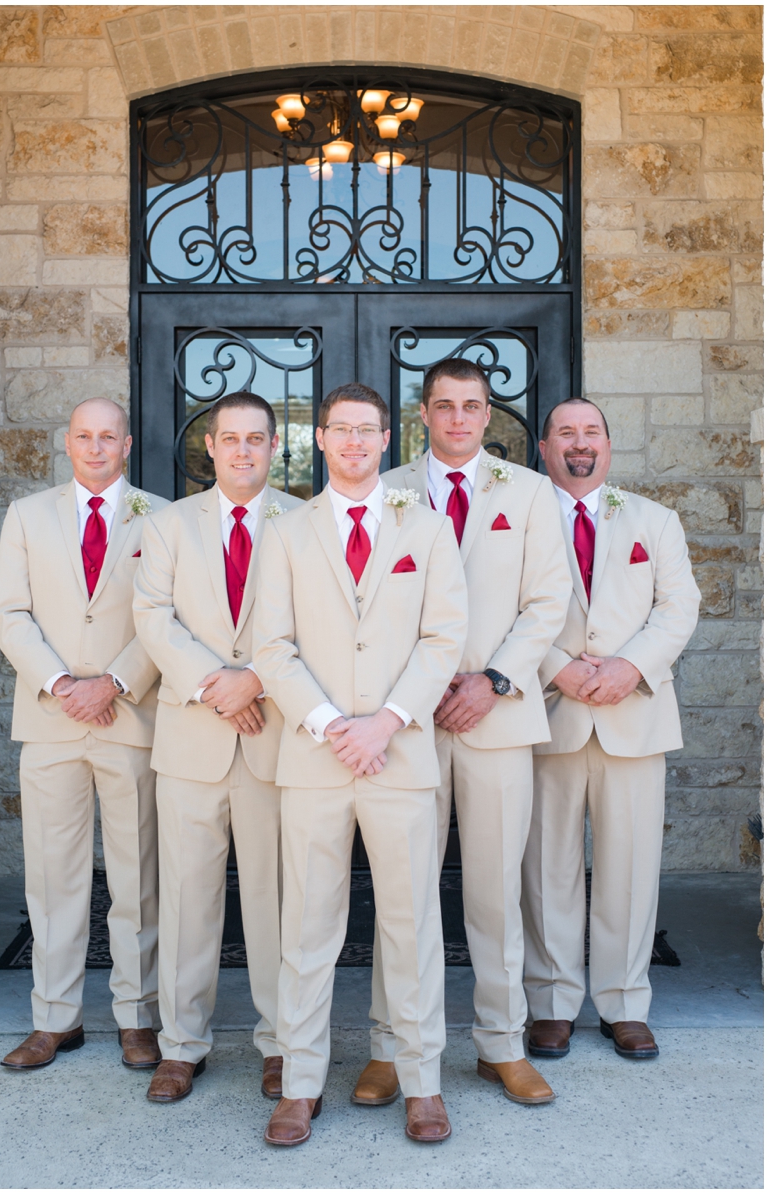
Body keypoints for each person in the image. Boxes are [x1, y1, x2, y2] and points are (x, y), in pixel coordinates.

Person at [253, 382, 468, 1146]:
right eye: (338, 430)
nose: (351, 442)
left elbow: (445, 637)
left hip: (399, 754)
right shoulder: (286, 532)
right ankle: (301, 1083)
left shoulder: (429, 528)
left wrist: (385, 722)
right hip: (313, 757)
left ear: (388, 439)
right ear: (320, 439)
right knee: (308, 928)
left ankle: (421, 1081)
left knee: (411, 926)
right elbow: (269, 646)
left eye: (365, 431)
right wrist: (327, 723)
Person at [359, 359, 572, 1108]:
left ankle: (502, 1045)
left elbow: (548, 603)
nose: (457, 419)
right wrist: (412, 696)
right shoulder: (385, 493)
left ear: (489, 416)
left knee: (494, 892)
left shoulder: (533, 493)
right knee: (403, 892)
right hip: (407, 723)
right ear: (423, 415)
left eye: (471, 406)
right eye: (444, 406)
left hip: (497, 716)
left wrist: (494, 680)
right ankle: (391, 1047)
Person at [132, 392, 303, 1103]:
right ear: (210, 446)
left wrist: (256, 680)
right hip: (192, 737)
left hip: (272, 738)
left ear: (274, 446)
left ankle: (281, 1043)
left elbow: (316, 621)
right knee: (188, 898)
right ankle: (181, 1045)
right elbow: (152, 616)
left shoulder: (306, 522)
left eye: (255, 440)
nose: (242, 452)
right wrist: (217, 687)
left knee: (274, 901)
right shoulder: (170, 525)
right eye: (229, 439)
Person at [0, 397, 168, 1071]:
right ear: (67, 442)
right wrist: (63, 685)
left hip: (132, 718)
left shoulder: (162, 516)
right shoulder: (29, 516)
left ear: (127, 444)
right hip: (52, 718)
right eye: (84, 436)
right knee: (53, 876)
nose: (95, 447)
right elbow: (9, 615)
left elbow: (167, 618)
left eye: (108, 437)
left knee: (137, 876)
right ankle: (54, 1019)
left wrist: (114, 683)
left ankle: (137, 1016)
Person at [522, 397, 700, 1060]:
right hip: (547, 715)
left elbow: (679, 607)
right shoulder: (521, 522)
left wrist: (630, 666)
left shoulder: (655, 521)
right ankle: (550, 1002)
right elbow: (499, 608)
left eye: (591, 431)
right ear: (544, 448)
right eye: (565, 432)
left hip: (634, 715)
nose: (579, 442)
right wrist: (558, 668)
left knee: (630, 868)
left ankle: (624, 1003)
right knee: (547, 871)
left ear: (608, 445)